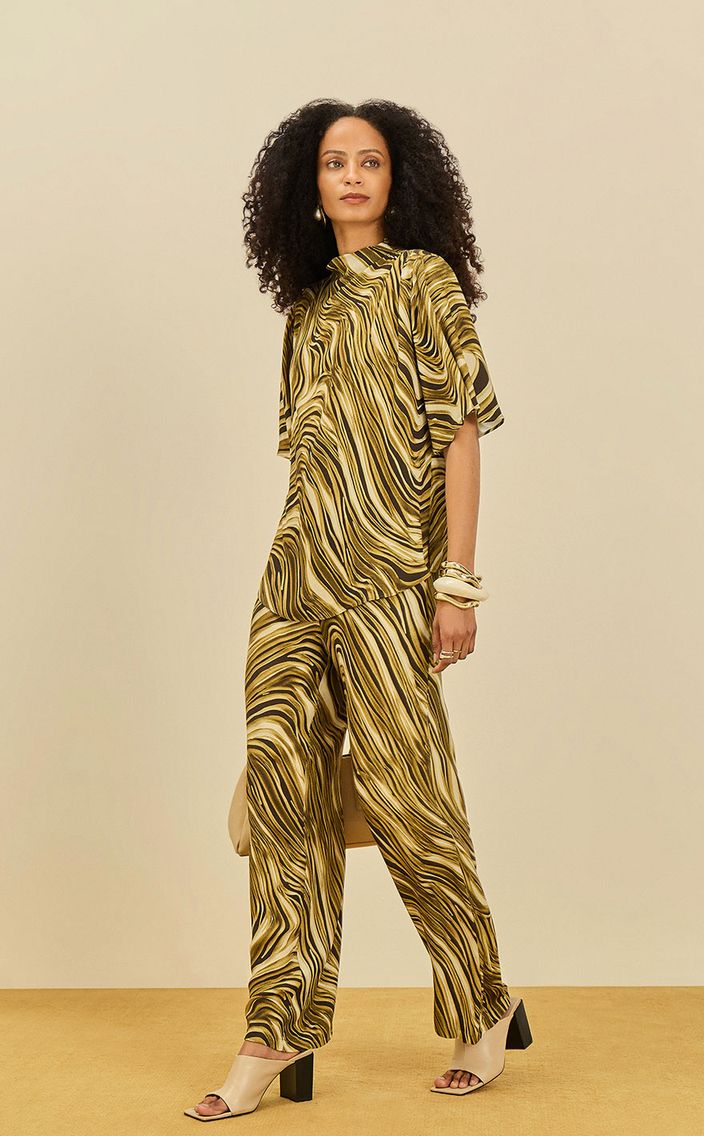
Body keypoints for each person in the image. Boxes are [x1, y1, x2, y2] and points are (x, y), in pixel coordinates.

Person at [185, 98, 532, 1122]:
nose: (349, 176)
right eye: (333, 162)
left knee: (408, 799)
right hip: (294, 582)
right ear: (308, 185)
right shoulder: (307, 305)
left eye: (367, 161)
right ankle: (276, 1026)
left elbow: (459, 433)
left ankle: (481, 1001)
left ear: (397, 179)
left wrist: (455, 582)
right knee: (283, 795)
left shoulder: (425, 282)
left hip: (392, 583)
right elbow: (310, 462)